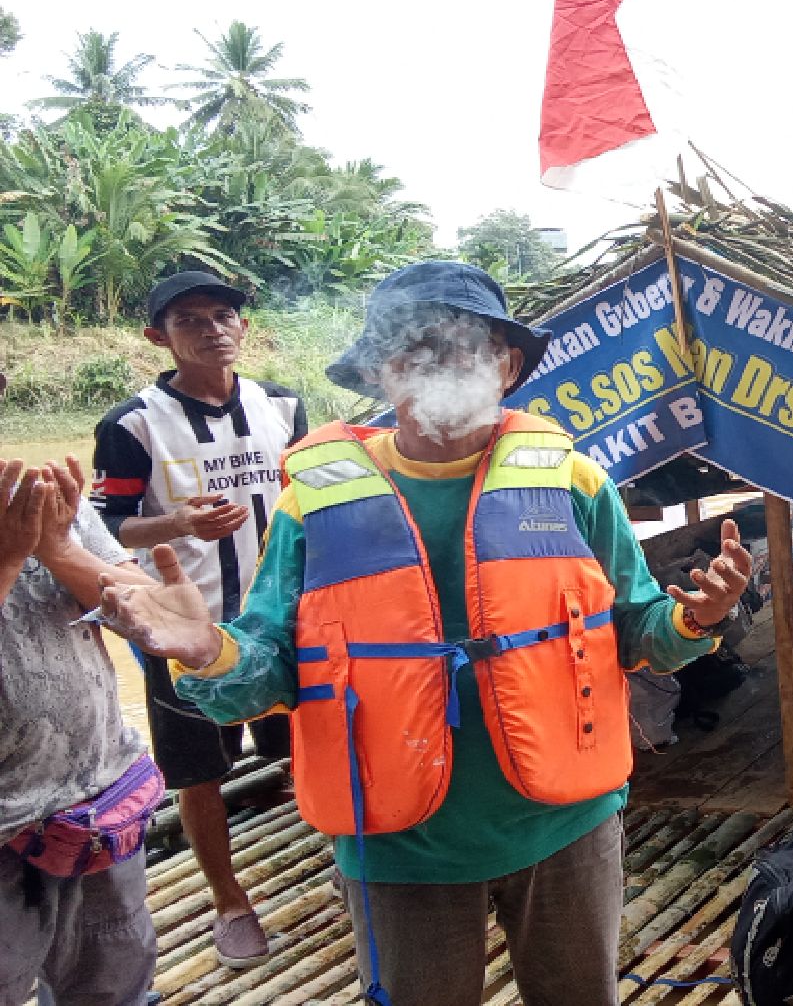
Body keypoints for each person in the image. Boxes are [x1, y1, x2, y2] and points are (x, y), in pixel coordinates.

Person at [100, 261, 753, 1006]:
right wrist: (206, 651)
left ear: (506, 366)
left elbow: (639, 635)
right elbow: (267, 669)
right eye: (415, 349)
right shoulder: (313, 504)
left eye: (465, 347)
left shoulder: (575, 482)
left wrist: (699, 617)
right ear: (382, 372)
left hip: (565, 830)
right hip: (399, 845)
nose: (442, 366)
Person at [90, 268, 306, 969]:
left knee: (310, 739)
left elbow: (308, 499)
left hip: (283, 621)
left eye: (223, 315)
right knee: (197, 769)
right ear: (158, 336)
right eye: (190, 320)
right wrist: (176, 523)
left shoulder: (283, 405)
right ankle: (228, 901)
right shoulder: (131, 425)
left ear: (244, 327)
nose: (212, 329)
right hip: (185, 627)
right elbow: (107, 528)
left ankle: (344, 851)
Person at [1, 383, 160, 1006]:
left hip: (94, 802)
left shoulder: (32, 491)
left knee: (113, 985)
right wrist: (9, 559)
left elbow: (141, 607)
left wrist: (60, 547)